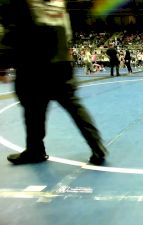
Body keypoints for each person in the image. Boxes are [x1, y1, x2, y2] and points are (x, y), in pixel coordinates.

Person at [0, 0, 108, 165]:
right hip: (61, 63)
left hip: (34, 64)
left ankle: (35, 150)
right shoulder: (58, 2)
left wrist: (3, 66)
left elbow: (14, 31)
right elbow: (67, 33)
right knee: (74, 107)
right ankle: (97, 146)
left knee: (33, 111)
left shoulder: (25, 3)